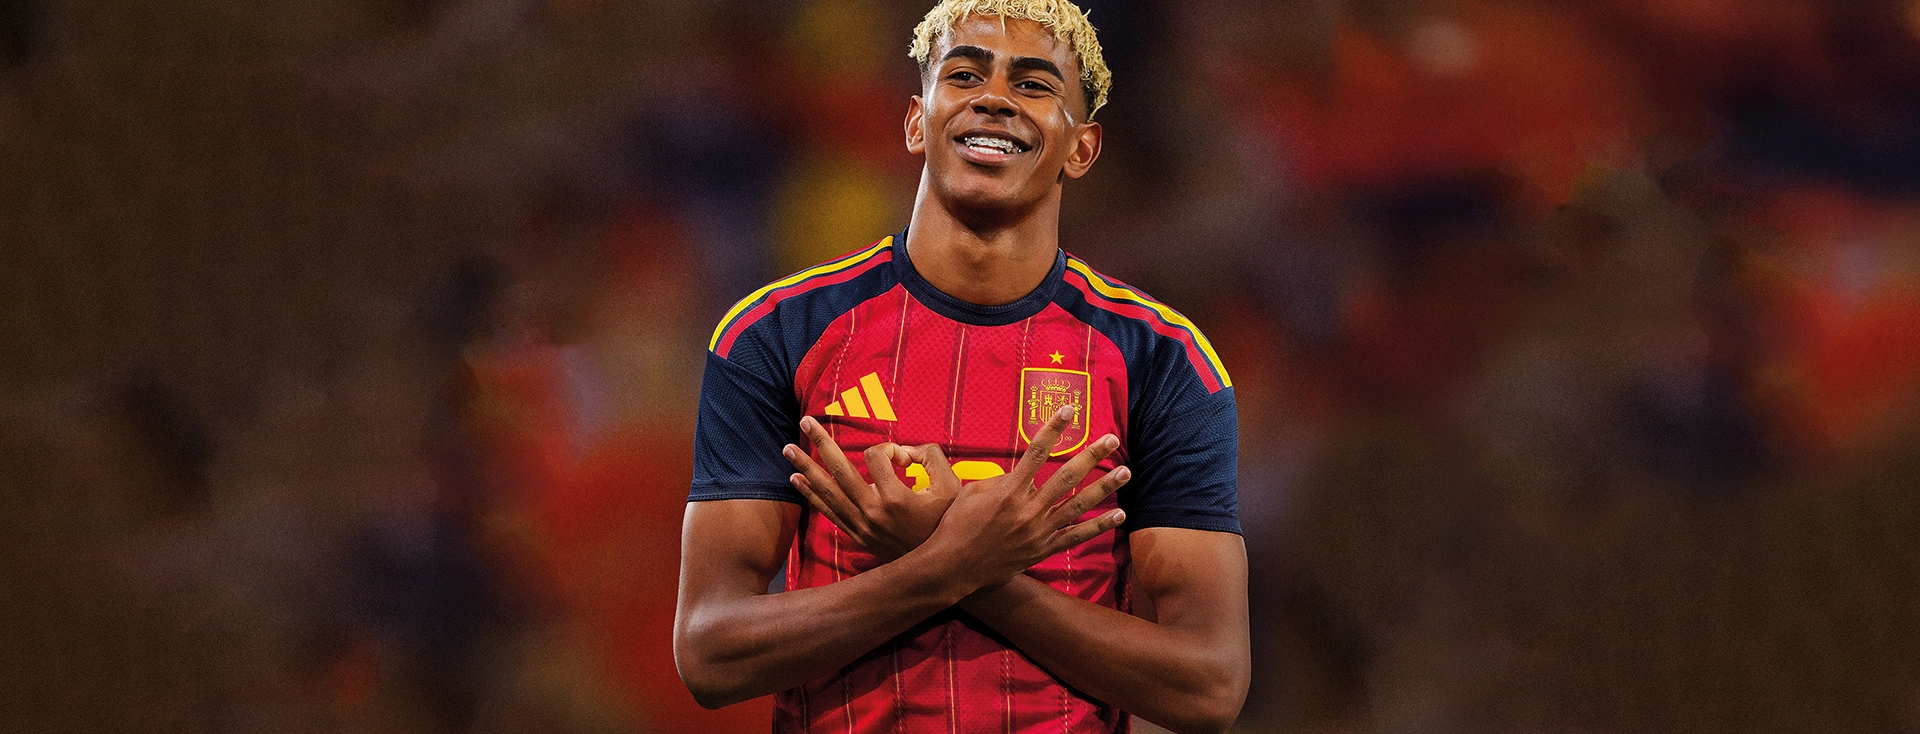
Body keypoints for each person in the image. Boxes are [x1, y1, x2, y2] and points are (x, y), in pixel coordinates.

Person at [673, 2, 1249, 732]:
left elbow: (1210, 686)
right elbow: (708, 654)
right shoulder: (775, 335)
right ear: (918, 120)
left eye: (1036, 85)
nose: (996, 97)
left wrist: (961, 567)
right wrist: (948, 567)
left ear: (1083, 148)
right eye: (966, 73)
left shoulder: (1163, 361)